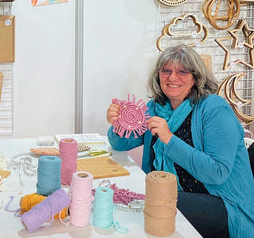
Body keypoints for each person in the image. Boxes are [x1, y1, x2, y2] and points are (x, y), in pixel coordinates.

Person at [106, 44, 254, 238]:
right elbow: (120, 144)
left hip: (223, 204)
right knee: (130, 203)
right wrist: (118, 125)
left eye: (182, 72)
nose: (172, 78)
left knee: (149, 207)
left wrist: (169, 139)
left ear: (196, 77)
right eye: (166, 71)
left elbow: (217, 172)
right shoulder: (156, 107)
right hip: (171, 196)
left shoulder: (214, 110)